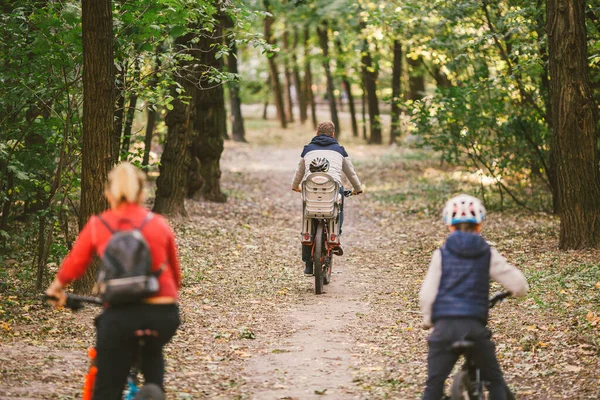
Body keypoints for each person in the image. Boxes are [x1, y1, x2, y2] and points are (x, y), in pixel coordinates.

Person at [45, 162, 181, 400]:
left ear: (108, 193)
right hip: (163, 315)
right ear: (141, 193)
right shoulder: (158, 223)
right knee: (152, 350)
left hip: (121, 318)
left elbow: (75, 263)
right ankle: (155, 391)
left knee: (107, 388)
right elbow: (176, 276)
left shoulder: (100, 224)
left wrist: (56, 289)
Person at [419, 194, 528, 400]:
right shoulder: (487, 253)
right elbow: (519, 284)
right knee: (495, 382)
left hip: (444, 330)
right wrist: (517, 292)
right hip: (473, 328)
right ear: (479, 226)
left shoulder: (441, 254)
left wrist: (428, 320)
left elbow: (427, 294)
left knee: (433, 387)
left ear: (449, 226)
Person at [291, 121, 362, 275]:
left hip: (310, 192)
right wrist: (358, 189)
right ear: (333, 134)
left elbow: (299, 172)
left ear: (316, 133)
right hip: (332, 191)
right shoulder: (340, 150)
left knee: (307, 218)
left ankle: (308, 265)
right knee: (339, 205)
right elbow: (351, 173)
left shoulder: (307, 150)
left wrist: (295, 186)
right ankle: (335, 236)